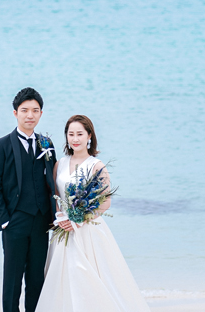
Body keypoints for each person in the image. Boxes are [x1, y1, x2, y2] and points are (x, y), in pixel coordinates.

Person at [35, 115, 151, 312]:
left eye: (80, 134)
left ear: (89, 136)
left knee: (88, 277)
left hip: (87, 232)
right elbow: (55, 194)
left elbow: (105, 202)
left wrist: (79, 220)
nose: (75, 139)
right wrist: (61, 217)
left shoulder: (97, 166)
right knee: (61, 279)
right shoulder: (59, 164)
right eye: (71, 134)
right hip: (63, 231)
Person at [0, 88, 58, 312]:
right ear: (15, 113)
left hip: (41, 220)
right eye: (25, 110)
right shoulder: (1, 145)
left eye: (35, 110)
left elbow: (52, 182)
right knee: (13, 279)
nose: (30, 115)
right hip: (14, 221)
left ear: (41, 114)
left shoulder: (47, 144)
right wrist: (5, 220)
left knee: (36, 279)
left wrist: (55, 215)